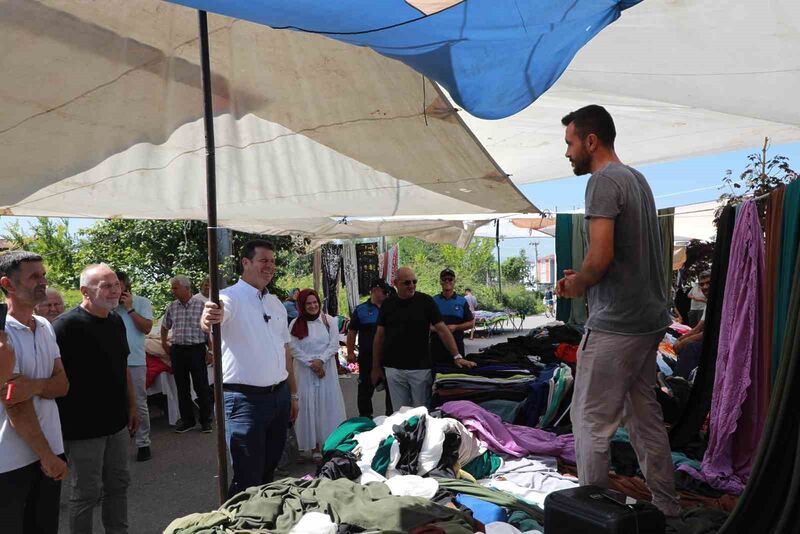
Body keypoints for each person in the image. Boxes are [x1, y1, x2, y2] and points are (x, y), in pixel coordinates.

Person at [556, 105, 681, 517]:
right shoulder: (637, 180)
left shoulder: (603, 181)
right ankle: (667, 507)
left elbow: (602, 256)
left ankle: (590, 518)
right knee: (644, 418)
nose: (569, 152)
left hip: (617, 326)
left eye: (571, 143)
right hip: (648, 322)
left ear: (591, 141)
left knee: (590, 422)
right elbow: (625, 256)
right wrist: (591, 274)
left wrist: (577, 282)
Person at [200, 239, 300, 496]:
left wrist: (293, 394)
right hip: (244, 401)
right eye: (263, 260)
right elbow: (213, 317)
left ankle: (262, 519)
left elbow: (285, 351)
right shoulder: (229, 297)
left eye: (273, 261)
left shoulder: (275, 303)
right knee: (248, 476)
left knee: (270, 469)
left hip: (278, 397)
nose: (270, 266)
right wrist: (210, 317)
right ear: (246, 263)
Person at [54, 263, 138, 533]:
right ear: (85, 291)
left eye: (117, 284)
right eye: (106, 286)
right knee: (86, 493)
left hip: (116, 424)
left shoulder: (115, 321)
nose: (116, 291)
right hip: (82, 429)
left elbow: (123, 367)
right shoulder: (64, 327)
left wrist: (132, 406)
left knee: (119, 485)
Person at [0, 251, 69, 534]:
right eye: (33, 277)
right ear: (8, 284)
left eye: (43, 275)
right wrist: (47, 456)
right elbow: (15, 402)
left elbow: (63, 384)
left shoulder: (44, 326)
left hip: (51, 450)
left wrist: (35, 386)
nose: (42, 282)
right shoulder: (2, 334)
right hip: (11, 462)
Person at [371, 266, 475, 409]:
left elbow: (443, 330)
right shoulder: (388, 304)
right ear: (396, 283)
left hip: (420, 369)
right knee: (399, 414)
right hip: (394, 369)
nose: (412, 286)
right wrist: (375, 367)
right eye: (407, 283)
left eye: (414, 282)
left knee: (422, 412)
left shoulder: (426, 302)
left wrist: (457, 356)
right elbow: (379, 337)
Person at [289, 289, 346, 461]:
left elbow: (334, 345)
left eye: (315, 302)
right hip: (304, 373)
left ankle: (327, 444)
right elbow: (292, 347)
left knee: (326, 406)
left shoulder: (328, 321)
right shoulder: (295, 324)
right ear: (302, 306)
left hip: (326, 371)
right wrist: (311, 364)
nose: (312, 306)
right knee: (308, 407)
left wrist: (320, 361)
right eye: (308, 303)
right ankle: (313, 447)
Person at [161, 275, 213, 434]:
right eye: (172, 288)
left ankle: (206, 421)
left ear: (186, 288)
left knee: (201, 386)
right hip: (178, 351)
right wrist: (164, 343)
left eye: (175, 288)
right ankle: (188, 421)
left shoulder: (201, 306)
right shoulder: (172, 307)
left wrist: (210, 351)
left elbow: (211, 331)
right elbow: (164, 326)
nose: (173, 291)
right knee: (181, 388)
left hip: (196, 350)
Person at [115, 272, 154, 462]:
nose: (115, 289)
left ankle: (143, 443)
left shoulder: (141, 302)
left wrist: (129, 309)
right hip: (112, 361)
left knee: (138, 402)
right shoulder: (106, 306)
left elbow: (147, 328)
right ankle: (119, 443)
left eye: (118, 285)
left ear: (126, 286)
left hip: (135, 360)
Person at [346, 278, 393, 418]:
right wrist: (350, 352)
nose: (386, 294)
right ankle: (366, 417)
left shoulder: (390, 307)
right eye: (384, 291)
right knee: (365, 389)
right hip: (367, 357)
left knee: (391, 388)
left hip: (389, 356)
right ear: (374, 291)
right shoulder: (361, 310)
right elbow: (352, 332)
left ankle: (390, 417)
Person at [430, 268, 475, 365]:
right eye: (444, 279)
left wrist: (456, 327)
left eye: (450, 279)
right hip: (436, 348)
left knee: (457, 377)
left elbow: (471, 323)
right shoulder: (433, 301)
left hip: (457, 348)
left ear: (454, 281)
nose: (447, 281)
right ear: (440, 282)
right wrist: (438, 329)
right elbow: (426, 324)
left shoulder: (462, 301)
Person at [672, 270, 712, 379]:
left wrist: (684, 342)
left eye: (708, 283)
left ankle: (678, 381)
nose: (705, 287)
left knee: (691, 347)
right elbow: (697, 329)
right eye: (702, 284)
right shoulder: (709, 304)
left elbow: (709, 332)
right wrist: (680, 339)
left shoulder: (718, 303)